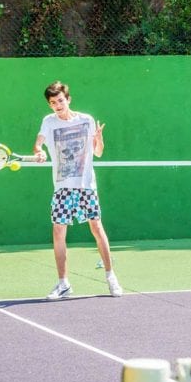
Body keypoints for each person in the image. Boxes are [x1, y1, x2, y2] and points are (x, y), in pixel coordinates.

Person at [33, 81, 123, 299]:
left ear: (68, 99)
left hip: (86, 186)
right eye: (53, 102)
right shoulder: (48, 122)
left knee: (96, 228)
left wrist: (99, 140)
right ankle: (63, 283)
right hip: (62, 187)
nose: (57, 105)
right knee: (58, 231)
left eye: (60, 101)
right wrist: (39, 152)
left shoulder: (86, 120)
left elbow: (98, 152)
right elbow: (38, 144)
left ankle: (111, 278)